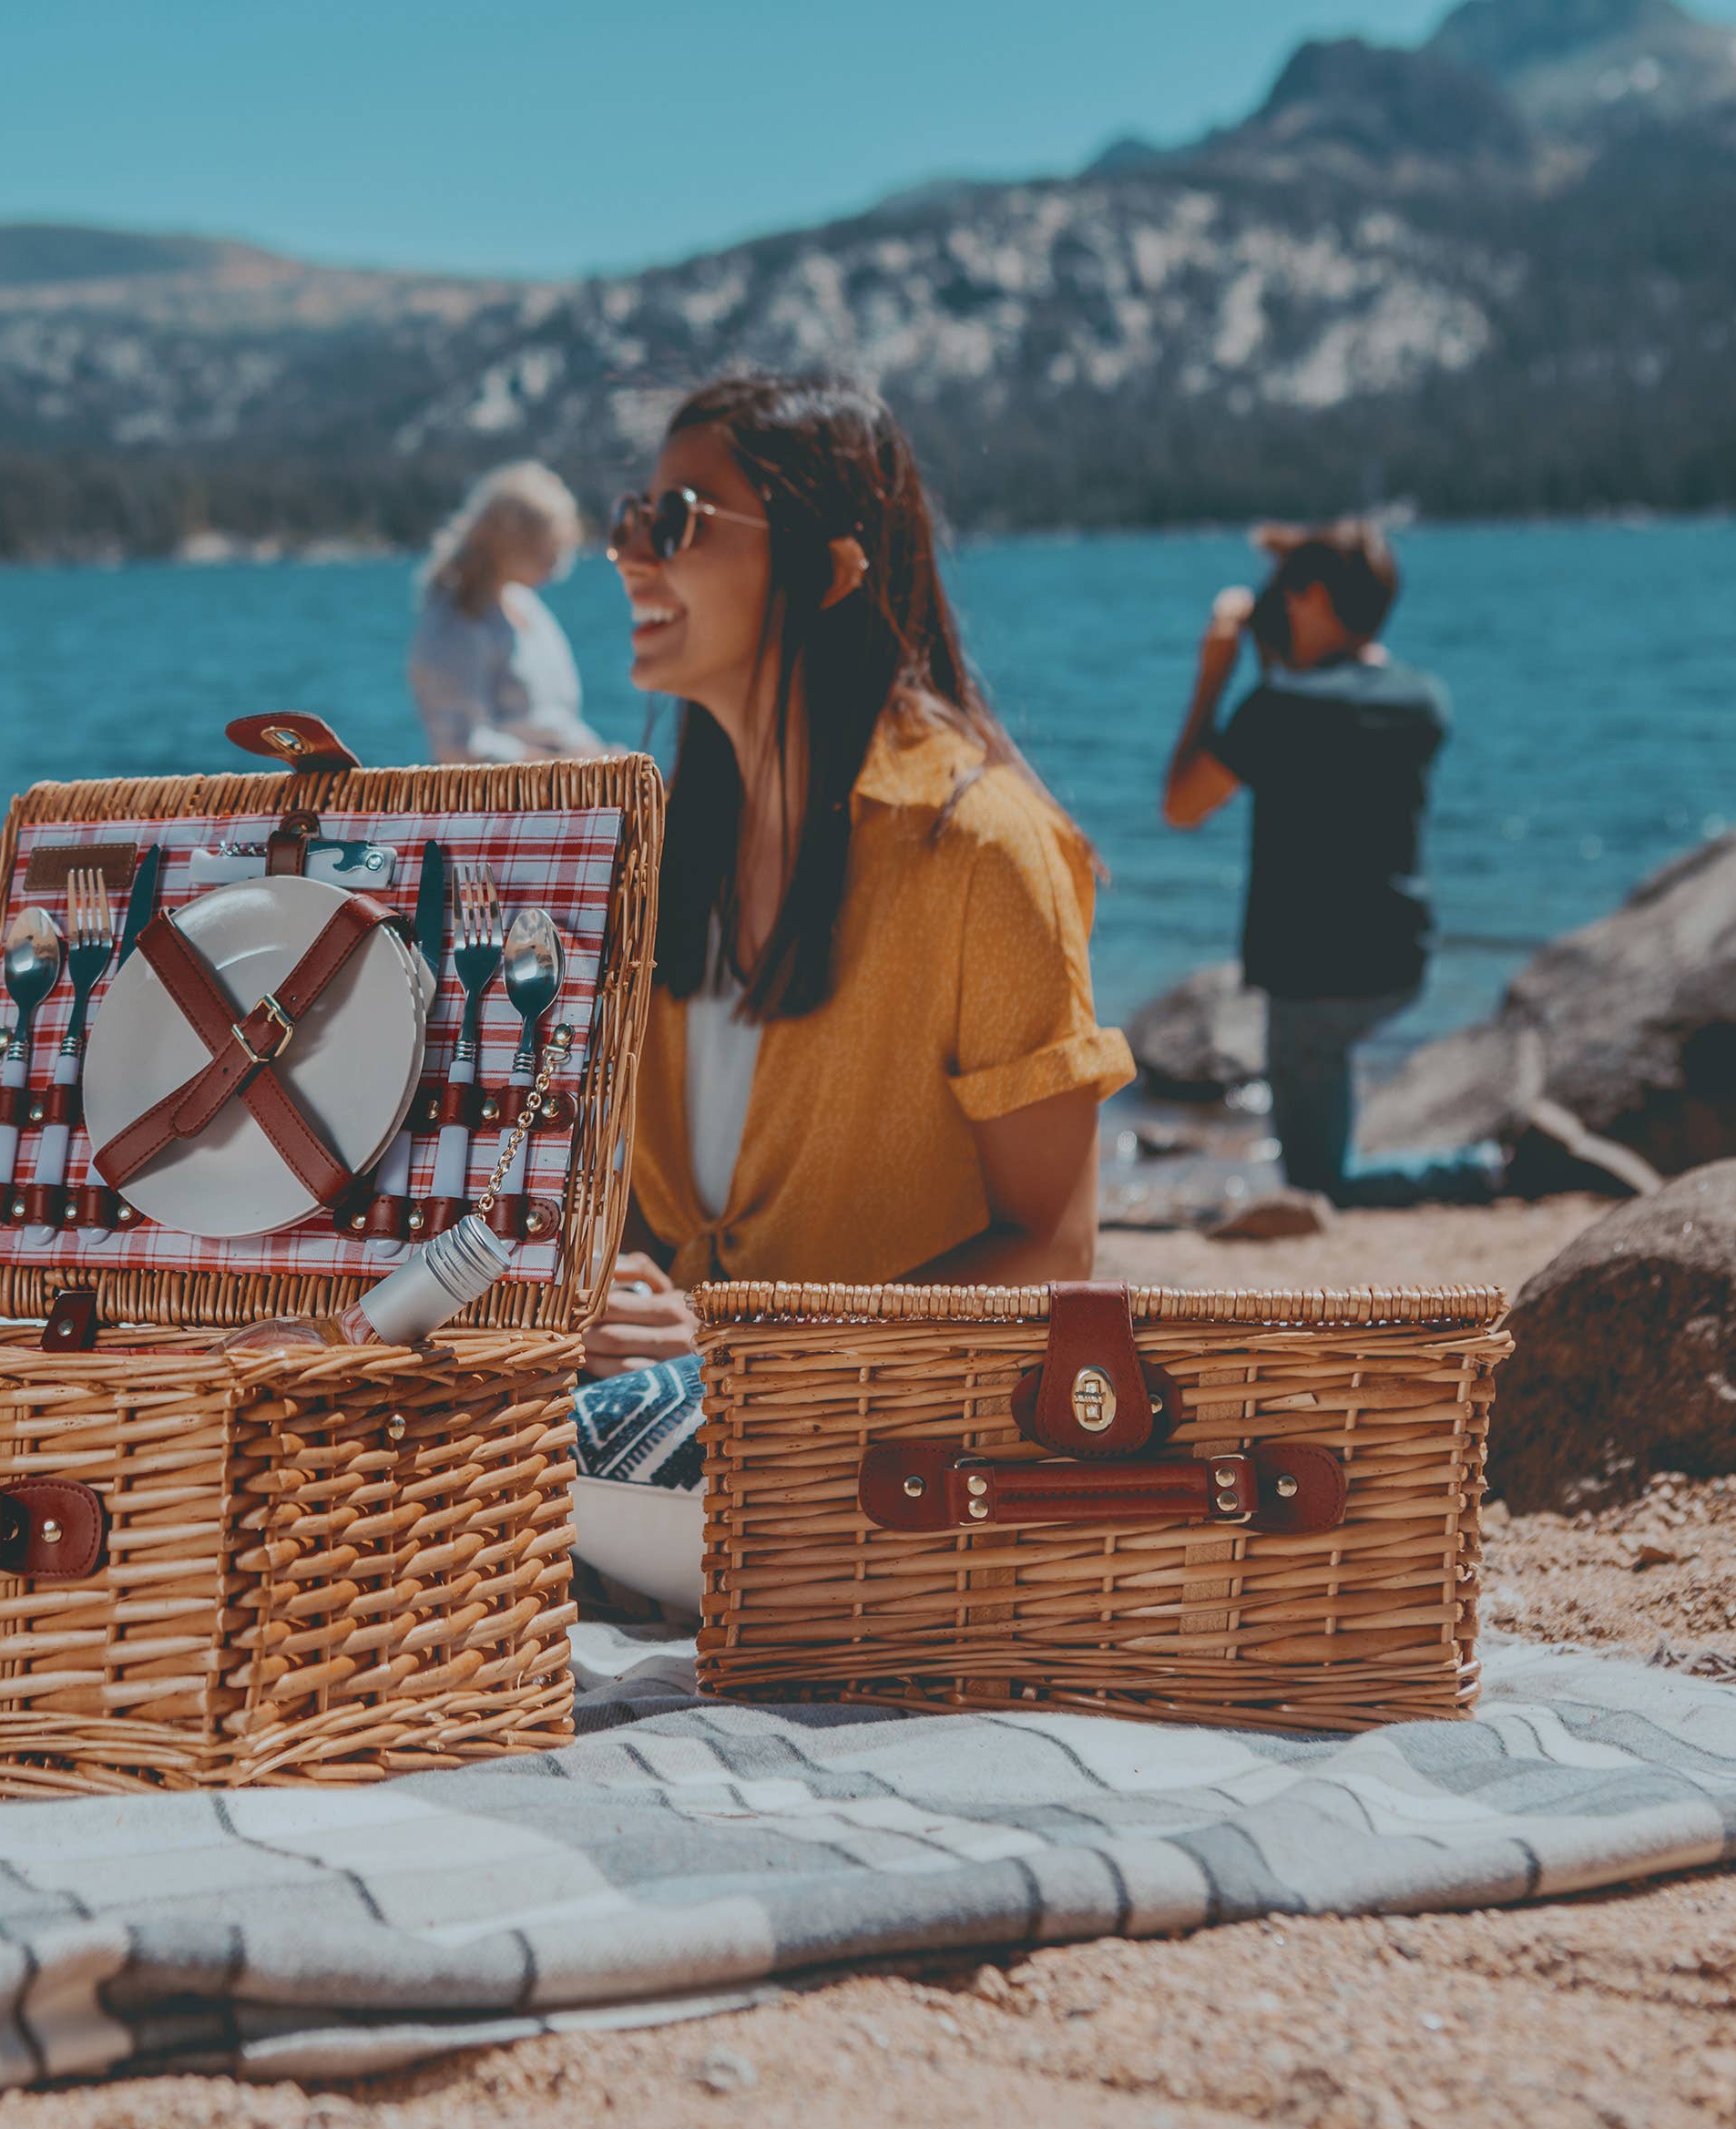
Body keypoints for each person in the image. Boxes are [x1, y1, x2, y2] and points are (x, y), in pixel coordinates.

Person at [577, 370, 1133, 1415]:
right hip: (673, 1444)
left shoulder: (983, 848)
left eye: (678, 518)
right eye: (630, 517)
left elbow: (1056, 1246)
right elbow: (662, 1228)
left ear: (832, 568)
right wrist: (611, 1298)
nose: (629, 552)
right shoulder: (657, 851)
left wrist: (751, 1352)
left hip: (882, 1479)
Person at [1160, 519, 1500, 1207]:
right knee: (1329, 1097)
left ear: (1312, 595)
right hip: (1398, 960)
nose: (1279, 606)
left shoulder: (1277, 709)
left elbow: (1183, 806)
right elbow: (1339, 715)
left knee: (1315, 1189)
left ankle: (1486, 1167)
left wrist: (1214, 676)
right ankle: (1474, 1164)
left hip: (1310, 977)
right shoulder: (1423, 702)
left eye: (1288, 592)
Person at [405, 460, 603, 763]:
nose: (558, 558)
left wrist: (598, 756)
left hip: (557, 789)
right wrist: (550, 763)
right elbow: (456, 747)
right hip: (505, 802)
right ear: (513, 542)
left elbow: (557, 719)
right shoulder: (457, 617)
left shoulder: (524, 603)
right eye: (550, 545)